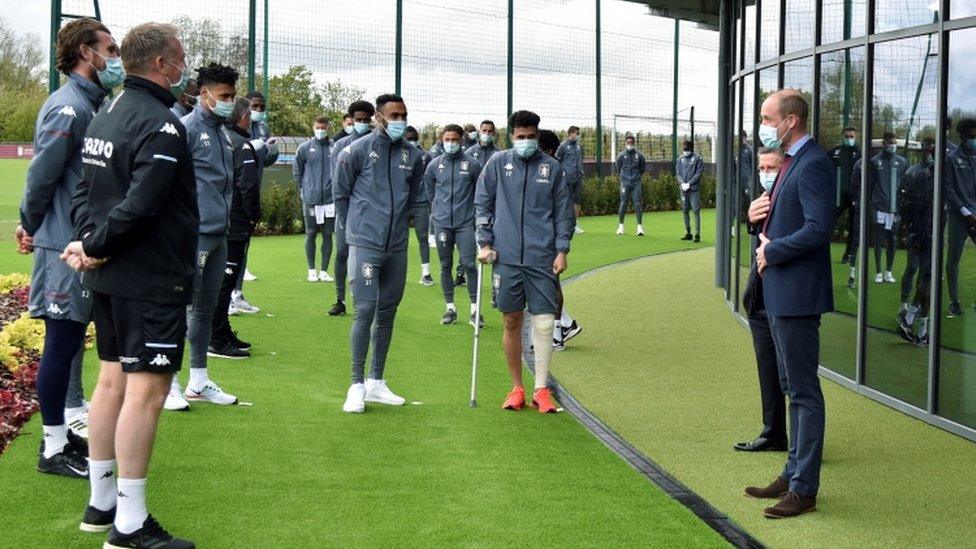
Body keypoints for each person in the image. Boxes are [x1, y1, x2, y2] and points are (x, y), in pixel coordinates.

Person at [65, 21, 197, 547]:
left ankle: (101, 504)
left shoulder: (108, 110)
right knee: (146, 392)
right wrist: (94, 245)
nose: (185, 65)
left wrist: (88, 242)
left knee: (111, 382)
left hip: (112, 275)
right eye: (181, 57)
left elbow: (85, 190)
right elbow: (141, 205)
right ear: (163, 65)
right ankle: (128, 524)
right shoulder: (162, 124)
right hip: (150, 278)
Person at [17, 18, 119, 477]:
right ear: (85, 51)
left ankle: (62, 432)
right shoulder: (68, 108)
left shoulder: (95, 103)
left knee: (74, 338)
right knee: (61, 341)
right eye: (110, 49)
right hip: (62, 244)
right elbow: (43, 174)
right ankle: (52, 447)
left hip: (82, 242)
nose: (115, 58)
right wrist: (29, 223)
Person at [745, 90, 835, 519]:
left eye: (767, 117)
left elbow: (819, 229)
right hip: (779, 292)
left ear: (791, 120)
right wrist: (756, 222)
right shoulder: (789, 160)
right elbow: (779, 219)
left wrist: (774, 250)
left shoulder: (813, 162)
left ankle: (804, 489)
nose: (762, 124)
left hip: (797, 295)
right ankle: (792, 474)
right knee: (791, 388)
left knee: (803, 392)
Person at [475, 110, 574, 414]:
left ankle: (541, 389)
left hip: (541, 257)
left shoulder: (552, 169)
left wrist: (562, 249)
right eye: (521, 137)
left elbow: (563, 213)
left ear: (537, 135)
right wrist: (485, 241)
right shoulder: (496, 164)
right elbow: (482, 202)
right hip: (505, 257)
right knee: (511, 320)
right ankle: (517, 387)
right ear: (511, 137)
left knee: (544, 322)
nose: (526, 142)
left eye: (531, 137)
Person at [333, 93, 425, 413]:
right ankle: (356, 384)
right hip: (366, 244)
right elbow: (341, 194)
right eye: (394, 115)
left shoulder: (413, 155)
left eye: (404, 115)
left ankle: (376, 382)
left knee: (387, 312)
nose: (400, 121)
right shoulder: (355, 150)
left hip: (397, 246)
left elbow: (414, 198)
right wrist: (352, 233)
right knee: (364, 309)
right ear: (378, 118)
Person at [166, 62, 241, 411]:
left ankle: (198, 380)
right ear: (204, 93)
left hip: (219, 235)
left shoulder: (224, 133)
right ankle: (170, 383)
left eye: (232, 95)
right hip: (192, 236)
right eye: (223, 96)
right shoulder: (185, 128)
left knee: (206, 311)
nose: (229, 102)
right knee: (180, 311)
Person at [735, 147, 787, 453]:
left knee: (791, 376)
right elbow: (759, 243)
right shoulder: (761, 201)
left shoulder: (791, 198)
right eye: (761, 168)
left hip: (786, 301)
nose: (765, 173)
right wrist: (750, 221)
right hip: (759, 301)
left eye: (771, 168)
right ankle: (773, 433)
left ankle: (802, 446)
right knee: (767, 370)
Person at [209, 98, 261, 358]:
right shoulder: (241, 145)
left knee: (222, 281)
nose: (251, 121)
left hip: (219, 219)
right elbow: (248, 186)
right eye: (249, 116)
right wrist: (254, 215)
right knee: (224, 281)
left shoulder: (220, 138)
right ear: (242, 118)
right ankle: (216, 339)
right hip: (235, 222)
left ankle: (221, 331)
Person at [424, 124, 483, 325]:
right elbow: (430, 193)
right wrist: (439, 212)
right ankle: (450, 308)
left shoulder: (473, 164)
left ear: (461, 141)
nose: (450, 143)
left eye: (454, 140)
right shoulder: (434, 165)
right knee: (445, 265)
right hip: (442, 224)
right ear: (442, 140)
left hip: (466, 223)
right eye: (447, 140)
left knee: (469, 265)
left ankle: (475, 311)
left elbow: (480, 193)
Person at [327, 99, 375, 317]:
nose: (362, 123)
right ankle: (340, 299)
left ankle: (366, 300)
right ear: (351, 120)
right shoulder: (340, 146)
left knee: (371, 255)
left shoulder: (378, 144)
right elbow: (336, 181)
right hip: (347, 208)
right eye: (358, 120)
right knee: (343, 251)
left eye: (366, 120)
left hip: (373, 211)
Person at [538, 129, 582, 352]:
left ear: (549, 151)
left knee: (550, 284)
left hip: (553, 237)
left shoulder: (555, 173)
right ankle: (567, 323)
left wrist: (561, 246)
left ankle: (556, 334)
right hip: (539, 236)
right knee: (544, 283)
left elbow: (564, 213)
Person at [897, 137, 936, 346]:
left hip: (921, 230)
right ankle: (915, 323)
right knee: (925, 276)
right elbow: (912, 204)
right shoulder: (922, 174)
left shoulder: (919, 173)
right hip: (925, 231)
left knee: (925, 276)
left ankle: (914, 320)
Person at [854, 131, 906, 284]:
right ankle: (878, 272)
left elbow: (904, 184)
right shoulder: (874, 162)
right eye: (890, 143)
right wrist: (870, 208)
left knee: (892, 240)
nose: (893, 146)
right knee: (878, 239)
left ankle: (889, 272)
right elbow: (869, 187)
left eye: (895, 143)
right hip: (879, 207)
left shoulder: (902, 162)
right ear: (884, 144)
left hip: (895, 208)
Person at [293, 116, 336, 283]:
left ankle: (324, 271)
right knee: (310, 234)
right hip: (311, 199)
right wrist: (304, 189)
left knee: (327, 235)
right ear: (313, 127)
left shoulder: (335, 147)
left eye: (324, 128)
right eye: (318, 127)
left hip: (330, 200)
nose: (321, 130)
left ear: (328, 128)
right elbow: (297, 171)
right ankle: (311, 270)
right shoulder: (304, 148)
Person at [943, 118, 976, 318]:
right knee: (953, 259)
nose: (974, 139)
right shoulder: (952, 158)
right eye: (972, 136)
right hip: (959, 216)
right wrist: (966, 212)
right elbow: (948, 188)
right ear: (962, 137)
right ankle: (954, 301)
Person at [827, 126, 862, 265]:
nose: (849, 139)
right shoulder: (834, 152)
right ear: (842, 136)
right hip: (837, 196)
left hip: (854, 196)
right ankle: (822, 251)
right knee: (828, 223)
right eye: (847, 136)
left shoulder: (859, 153)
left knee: (854, 226)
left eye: (852, 136)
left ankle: (849, 255)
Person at [556, 126, 585, 234]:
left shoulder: (579, 146)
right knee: (566, 202)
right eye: (572, 133)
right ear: (569, 134)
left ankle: (576, 225)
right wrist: (561, 173)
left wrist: (581, 171)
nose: (574, 135)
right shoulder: (563, 146)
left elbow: (581, 159)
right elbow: (557, 159)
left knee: (577, 201)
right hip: (566, 179)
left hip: (578, 178)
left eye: (576, 133)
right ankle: (565, 225)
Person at [615, 134, 646, 236]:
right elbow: (618, 168)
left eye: (632, 143)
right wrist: (625, 178)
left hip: (636, 183)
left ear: (634, 143)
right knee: (623, 204)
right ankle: (620, 226)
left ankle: (640, 228)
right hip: (625, 183)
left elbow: (642, 170)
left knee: (637, 204)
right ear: (625, 143)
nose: (630, 144)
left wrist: (636, 177)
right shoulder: (621, 156)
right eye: (628, 143)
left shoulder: (640, 156)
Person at [677, 140, 704, 242]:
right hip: (683, 189)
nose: (685, 151)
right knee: (685, 210)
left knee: (696, 210)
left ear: (691, 149)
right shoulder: (680, 159)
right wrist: (682, 183)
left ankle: (697, 234)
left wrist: (690, 183)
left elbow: (698, 173)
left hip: (694, 189)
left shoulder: (697, 158)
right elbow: (678, 173)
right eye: (684, 149)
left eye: (687, 149)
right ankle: (688, 232)